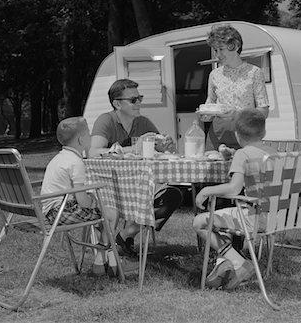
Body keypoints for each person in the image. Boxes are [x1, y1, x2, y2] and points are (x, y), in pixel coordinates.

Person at [90, 78, 183, 257]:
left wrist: (166, 145)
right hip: (112, 192)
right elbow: (93, 151)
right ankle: (121, 239)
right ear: (117, 103)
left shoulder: (143, 122)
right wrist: (131, 149)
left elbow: (159, 146)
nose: (139, 103)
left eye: (139, 98)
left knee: (174, 195)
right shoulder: (106, 121)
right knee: (159, 200)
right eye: (133, 100)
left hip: (139, 189)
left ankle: (125, 235)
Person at [41, 117, 137, 276]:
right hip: (62, 213)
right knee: (112, 214)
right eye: (88, 134)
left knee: (103, 215)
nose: (91, 137)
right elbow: (82, 201)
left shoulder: (59, 158)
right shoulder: (76, 162)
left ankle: (105, 262)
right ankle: (106, 262)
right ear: (81, 140)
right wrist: (93, 202)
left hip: (50, 211)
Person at [193, 108, 277, 290]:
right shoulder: (273, 152)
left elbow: (234, 188)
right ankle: (232, 265)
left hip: (255, 219)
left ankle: (238, 261)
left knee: (199, 223)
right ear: (264, 132)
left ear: (237, 135)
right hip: (278, 218)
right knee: (220, 218)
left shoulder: (243, 155)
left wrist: (207, 190)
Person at [200, 24, 270, 151]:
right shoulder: (214, 75)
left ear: (236, 46)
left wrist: (238, 114)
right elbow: (210, 104)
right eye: (215, 50)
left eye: (221, 49)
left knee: (243, 169)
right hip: (217, 136)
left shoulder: (254, 73)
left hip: (246, 135)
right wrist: (205, 115)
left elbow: (264, 112)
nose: (218, 55)